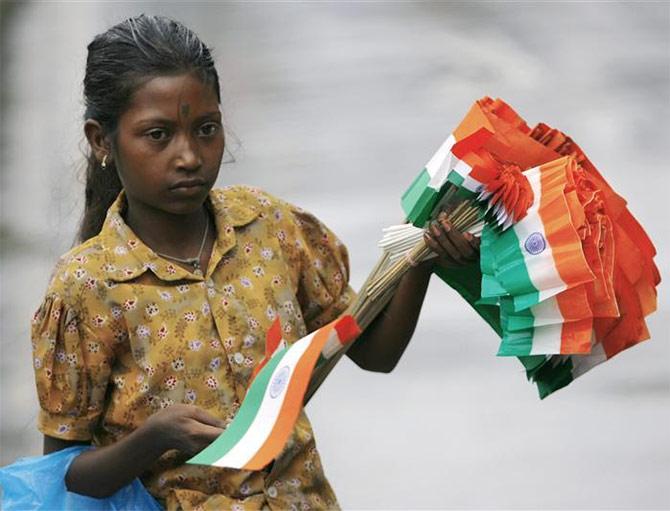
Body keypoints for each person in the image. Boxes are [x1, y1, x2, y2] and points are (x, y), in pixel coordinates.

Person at [30, 14, 480, 511]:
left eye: (206, 129)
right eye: (157, 135)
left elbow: (376, 354)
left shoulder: (272, 229)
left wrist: (423, 259)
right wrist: (153, 438)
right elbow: (68, 473)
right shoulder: (86, 285)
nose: (188, 156)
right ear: (101, 141)